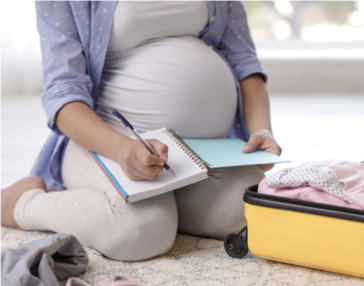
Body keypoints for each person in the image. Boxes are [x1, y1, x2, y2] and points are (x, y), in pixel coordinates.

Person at [1, 1, 282, 261]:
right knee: (143, 230)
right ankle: (20, 204)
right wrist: (121, 148)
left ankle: (164, 199)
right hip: (105, 141)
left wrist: (262, 130)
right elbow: (63, 95)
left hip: (197, 152)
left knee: (255, 206)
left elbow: (245, 63)